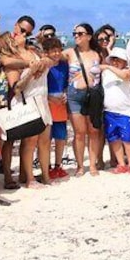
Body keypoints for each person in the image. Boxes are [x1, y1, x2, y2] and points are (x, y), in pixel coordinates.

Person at [0, 31, 51, 187]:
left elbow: (51, 61)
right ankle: (30, 179)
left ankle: (46, 176)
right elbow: (16, 88)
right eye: (15, 34)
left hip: (42, 97)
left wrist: (45, 61)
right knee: (30, 141)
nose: (20, 34)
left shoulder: (33, 51)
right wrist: (31, 72)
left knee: (45, 140)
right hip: (28, 100)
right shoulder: (14, 62)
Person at [62, 23, 103, 176]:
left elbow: (110, 64)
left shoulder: (97, 54)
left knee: (93, 131)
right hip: (75, 96)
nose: (76, 36)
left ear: (89, 36)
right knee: (79, 132)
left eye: (80, 33)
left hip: (93, 95)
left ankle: (92, 165)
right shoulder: (69, 52)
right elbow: (51, 57)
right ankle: (80, 166)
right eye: (75, 33)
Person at [100, 48, 130, 173]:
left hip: (124, 111)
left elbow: (125, 76)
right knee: (114, 139)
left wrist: (108, 67)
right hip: (109, 111)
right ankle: (121, 163)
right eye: (113, 59)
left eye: (118, 60)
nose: (115, 62)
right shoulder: (105, 73)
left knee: (127, 138)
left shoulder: (128, 71)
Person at [42, 36, 70, 180]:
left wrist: (66, 94)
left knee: (60, 136)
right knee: (46, 138)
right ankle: (45, 166)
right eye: (53, 51)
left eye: (58, 50)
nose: (56, 54)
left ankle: (58, 165)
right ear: (46, 52)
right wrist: (48, 97)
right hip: (46, 102)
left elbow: (66, 83)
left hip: (60, 102)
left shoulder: (64, 65)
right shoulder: (44, 66)